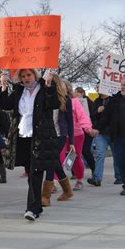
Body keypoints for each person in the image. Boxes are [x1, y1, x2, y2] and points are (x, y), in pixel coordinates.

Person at [0, 69, 59, 221]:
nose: (26, 79)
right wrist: (4, 86)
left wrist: (50, 84)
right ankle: (36, 204)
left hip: (40, 136)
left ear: (35, 76)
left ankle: (32, 208)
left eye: (28, 75)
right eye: (23, 76)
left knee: (35, 171)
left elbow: (54, 104)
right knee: (30, 172)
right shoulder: (19, 90)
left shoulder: (44, 88)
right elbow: (5, 104)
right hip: (22, 136)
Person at [42, 74, 74, 206]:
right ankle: (67, 191)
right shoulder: (44, 97)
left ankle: (46, 196)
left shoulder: (66, 99)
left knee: (51, 162)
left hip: (60, 135)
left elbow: (70, 121)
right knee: (54, 161)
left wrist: (71, 141)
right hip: (47, 134)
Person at [61, 81, 98, 191]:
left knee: (75, 157)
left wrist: (88, 128)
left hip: (76, 134)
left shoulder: (74, 101)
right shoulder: (55, 101)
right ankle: (52, 182)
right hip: (60, 134)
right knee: (58, 157)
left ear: (67, 89)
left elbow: (82, 116)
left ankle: (79, 180)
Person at [101, 76, 125, 195]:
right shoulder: (115, 100)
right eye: (121, 84)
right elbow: (106, 117)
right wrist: (97, 128)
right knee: (120, 161)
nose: (122, 87)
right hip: (118, 137)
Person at [88, 84, 120, 186]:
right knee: (100, 154)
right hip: (100, 133)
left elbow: (113, 117)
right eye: (96, 87)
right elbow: (92, 115)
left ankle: (119, 177)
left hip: (112, 133)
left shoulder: (113, 100)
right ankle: (97, 179)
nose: (97, 89)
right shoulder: (96, 101)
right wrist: (97, 112)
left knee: (117, 155)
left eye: (99, 87)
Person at [74, 87, 96, 174]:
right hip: (77, 129)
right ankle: (75, 171)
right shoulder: (73, 102)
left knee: (85, 150)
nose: (76, 94)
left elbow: (93, 115)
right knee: (74, 151)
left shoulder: (89, 102)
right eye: (75, 92)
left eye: (77, 93)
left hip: (87, 128)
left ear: (82, 93)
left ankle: (94, 169)